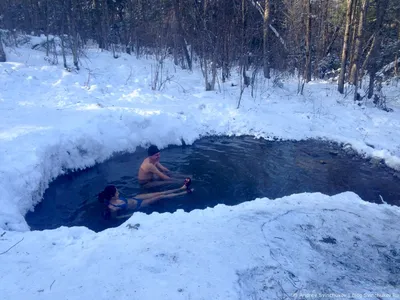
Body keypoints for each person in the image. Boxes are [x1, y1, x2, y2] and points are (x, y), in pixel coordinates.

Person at [98, 178, 193, 219]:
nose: (118, 192)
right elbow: (116, 218)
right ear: (112, 196)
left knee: (160, 192)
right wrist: (131, 215)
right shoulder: (112, 208)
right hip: (139, 205)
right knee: (160, 196)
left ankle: (181, 188)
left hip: (135, 198)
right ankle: (185, 192)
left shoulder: (112, 199)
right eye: (117, 192)